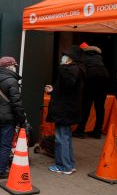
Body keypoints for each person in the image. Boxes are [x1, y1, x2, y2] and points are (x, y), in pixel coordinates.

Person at [0, 56, 26, 179]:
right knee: (6, 144)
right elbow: (17, 103)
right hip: (7, 117)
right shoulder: (11, 81)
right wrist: (22, 120)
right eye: (14, 65)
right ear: (9, 67)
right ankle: (1, 171)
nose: (15, 68)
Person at [46, 45, 85, 175]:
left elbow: (68, 85)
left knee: (61, 139)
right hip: (67, 109)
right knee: (66, 138)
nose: (62, 58)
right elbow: (67, 89)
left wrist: (63, 67)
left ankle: (64, 166)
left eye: (65, 56)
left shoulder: (71, 69)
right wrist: (53, 91)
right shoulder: (76, 69)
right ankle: (70, 164)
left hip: (64, 110)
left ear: (70, 58)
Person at [73, 43, 110, 139]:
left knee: (86, 105)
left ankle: (80, 131)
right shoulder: (98, 56)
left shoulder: (82, 56)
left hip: (91, 78)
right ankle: (97, 132)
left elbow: (79, 71)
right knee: (100, 106)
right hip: (104, 78)